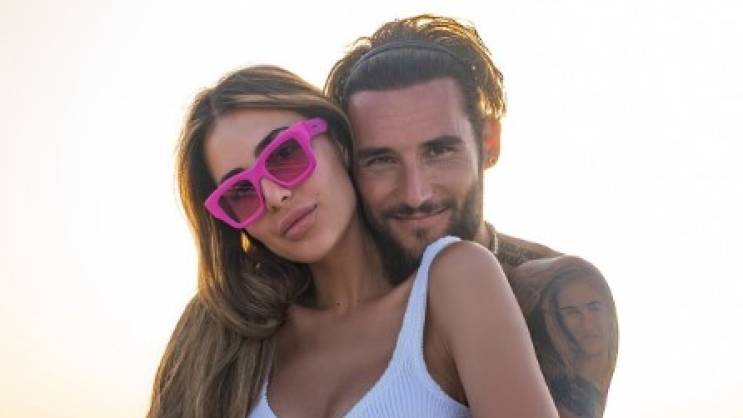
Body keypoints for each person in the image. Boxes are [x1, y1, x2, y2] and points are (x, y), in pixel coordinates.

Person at [147, 66, 557, 418]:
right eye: (240, 192)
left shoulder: (453, 282)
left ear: (340, 144)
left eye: (285, 154)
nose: (274, 196)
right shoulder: (218, 342)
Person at [324, 14, 619, 416]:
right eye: (381, 160)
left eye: (438, 151)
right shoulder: (305, 294)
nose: (415, 194)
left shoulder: (554, 290)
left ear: (489, 141)